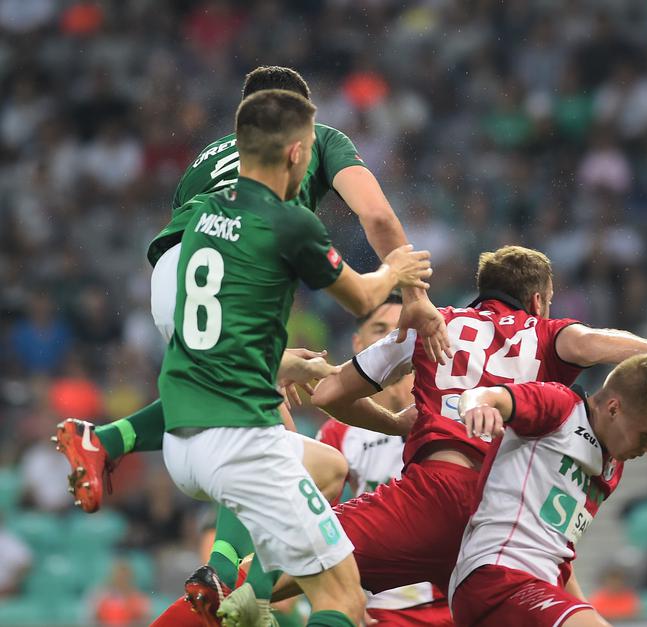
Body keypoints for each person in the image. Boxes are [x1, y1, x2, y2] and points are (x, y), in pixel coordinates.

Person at [54, 63, 448, 515]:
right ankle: (235, 557)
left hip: (173, 275)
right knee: (264, 451)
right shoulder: (320, 140)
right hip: (234, 269)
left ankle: (107, 441)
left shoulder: (204, 159)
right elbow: (376, 215)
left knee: (218, 400)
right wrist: (414, 297)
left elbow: (186, 231)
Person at [261, 245, 647, 620]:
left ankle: (225, 598)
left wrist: (396, 423)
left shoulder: (435, 325)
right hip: (498, 523)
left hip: (436, 495)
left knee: (295, 561)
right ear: (538, 300)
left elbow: (329, 394)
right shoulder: (547, 334)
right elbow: (597, 343)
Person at [158, 89, 430, 627]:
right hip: (234, 419)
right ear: (297, 149)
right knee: (342, 594)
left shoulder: (206, 195)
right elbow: (365, 272)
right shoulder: (291, 214)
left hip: (180, 309)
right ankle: (237, 579)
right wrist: (399, 277)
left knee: (314, 464)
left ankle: (232, 575)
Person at [447, 355, 647, 626]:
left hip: (534, 591)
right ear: (613, 409)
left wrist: (587, 611)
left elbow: (560, 550)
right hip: (497, 577)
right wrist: (478, 406)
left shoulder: (612, 467)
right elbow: (485, 395)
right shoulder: (560, 407)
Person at [317, 294, 452, 626]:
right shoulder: (338, 431)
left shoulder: (449, 408)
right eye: (381, 330)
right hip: (382, 612)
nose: (394, 338)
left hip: (455, 605)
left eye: (402, 330)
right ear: (358, 343)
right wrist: (345, 596)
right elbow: (316, 523)